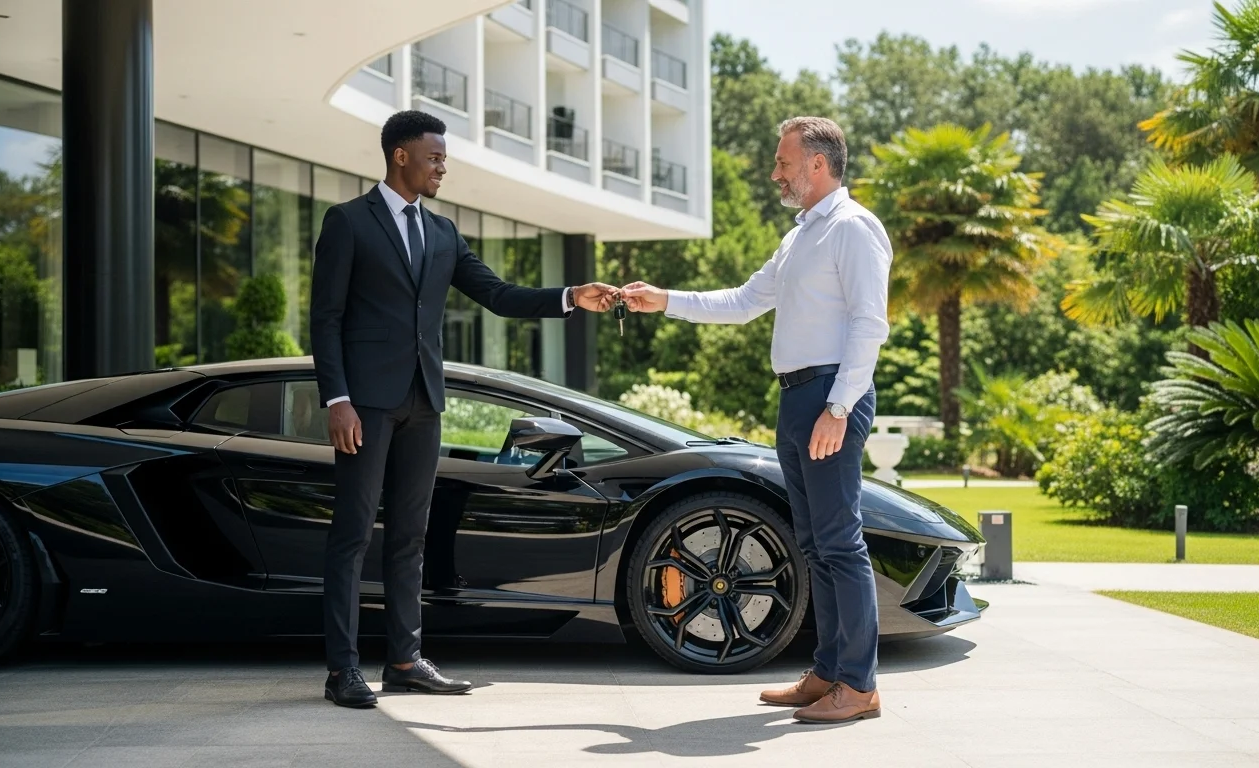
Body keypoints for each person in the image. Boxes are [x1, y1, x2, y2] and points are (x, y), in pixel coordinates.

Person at [310, 109, 617, 708]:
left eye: (444, 158)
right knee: (350, 536)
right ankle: (341, 670)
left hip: (424, 402)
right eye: (435, 157)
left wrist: (569, 296)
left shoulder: (443, 232)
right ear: (401, 156)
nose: (443, 167)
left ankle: (404, 659)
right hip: (365, 405)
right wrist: (337, 398)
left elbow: (498, 295)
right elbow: (326, 318)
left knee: (409, 536)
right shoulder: (348, 222)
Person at [620, 116, 891, 724]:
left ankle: (861, 685)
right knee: (815, 544)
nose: (776, 174)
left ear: (818, 164)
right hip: (797, 396)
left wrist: (839, 408)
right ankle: (828, 672)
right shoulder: (801, 237)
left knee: (841, 543)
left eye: (785, 163)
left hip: (829, 396)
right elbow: (743, 303)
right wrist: (665, 301)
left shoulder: (853, 228)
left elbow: (871, 325)